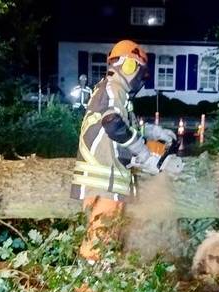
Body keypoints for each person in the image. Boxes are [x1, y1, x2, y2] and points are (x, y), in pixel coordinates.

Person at [70, 40, 179, 262]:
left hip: (110, 178)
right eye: (140, 71)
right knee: (99, 241)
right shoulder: (112, 89)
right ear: (129, 66)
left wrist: (153, 131)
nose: (142, 79)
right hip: (103, 179)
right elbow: (113, 124)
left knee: (107, 238)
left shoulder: (114, 92)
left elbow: (126, 125)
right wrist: (146, 155)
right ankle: (89, 291)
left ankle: (101, 287)